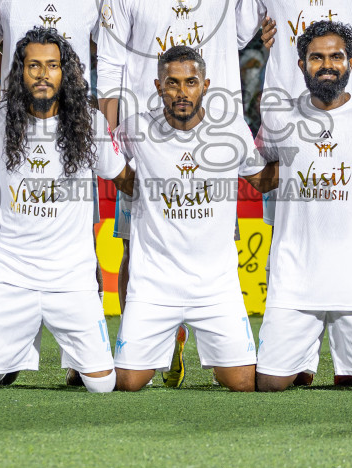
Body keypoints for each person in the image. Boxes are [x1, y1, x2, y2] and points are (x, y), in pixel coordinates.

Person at [96, 0, 248, 387]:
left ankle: (211, 341)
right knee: (135, 243)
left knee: (211, 238)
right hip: (147, 143)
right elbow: (111, 68)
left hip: (213, 137)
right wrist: (112, 140)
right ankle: (147, 341)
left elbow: (249, 30)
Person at [0, 28, 126, 393]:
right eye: (34, 66)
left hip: (72, 279)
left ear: (64, 72)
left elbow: (120, 175)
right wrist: (10, 199)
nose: (42, 74)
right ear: (19, 72)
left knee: (102, 387)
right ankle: (6, 358)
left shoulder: (89, 122)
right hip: (11, 275)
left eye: (52, 66)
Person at [111, 45, 270, 391]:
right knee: (127, 383)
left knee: (242, 382)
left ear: (206, 84)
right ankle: (167, 346)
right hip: (154, 284)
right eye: (172, 83)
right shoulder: (135, 129)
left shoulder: (230, 128)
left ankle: (216, 361)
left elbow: (261, 179)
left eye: (191, 82)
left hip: (216, 286)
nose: (182, 92)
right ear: (158, 86)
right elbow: (107, 163)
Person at [253, 21, 352, 392]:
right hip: (296, 279)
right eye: (316, 57)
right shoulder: (278, 117)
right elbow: (266, 173)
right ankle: (305, 359)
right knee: (270, 384)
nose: (327, 65)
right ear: (301, 64)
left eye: (336, 56)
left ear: (351, 62)